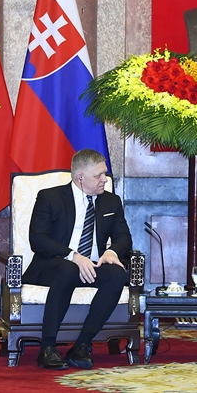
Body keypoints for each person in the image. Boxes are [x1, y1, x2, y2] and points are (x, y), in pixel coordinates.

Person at [22, 148, 132, 370]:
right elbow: (38, 239)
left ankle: (82, 345)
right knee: (68, 269)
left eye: (104, 174)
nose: (105, 180)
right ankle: (47, 348)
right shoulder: (50, 197)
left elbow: (124, 237)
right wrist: (73, 256)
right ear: (80, 177)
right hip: (53, 266)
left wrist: (112, 252)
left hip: (93, 266)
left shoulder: (111, 201)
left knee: (116, 273)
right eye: (98, 176)